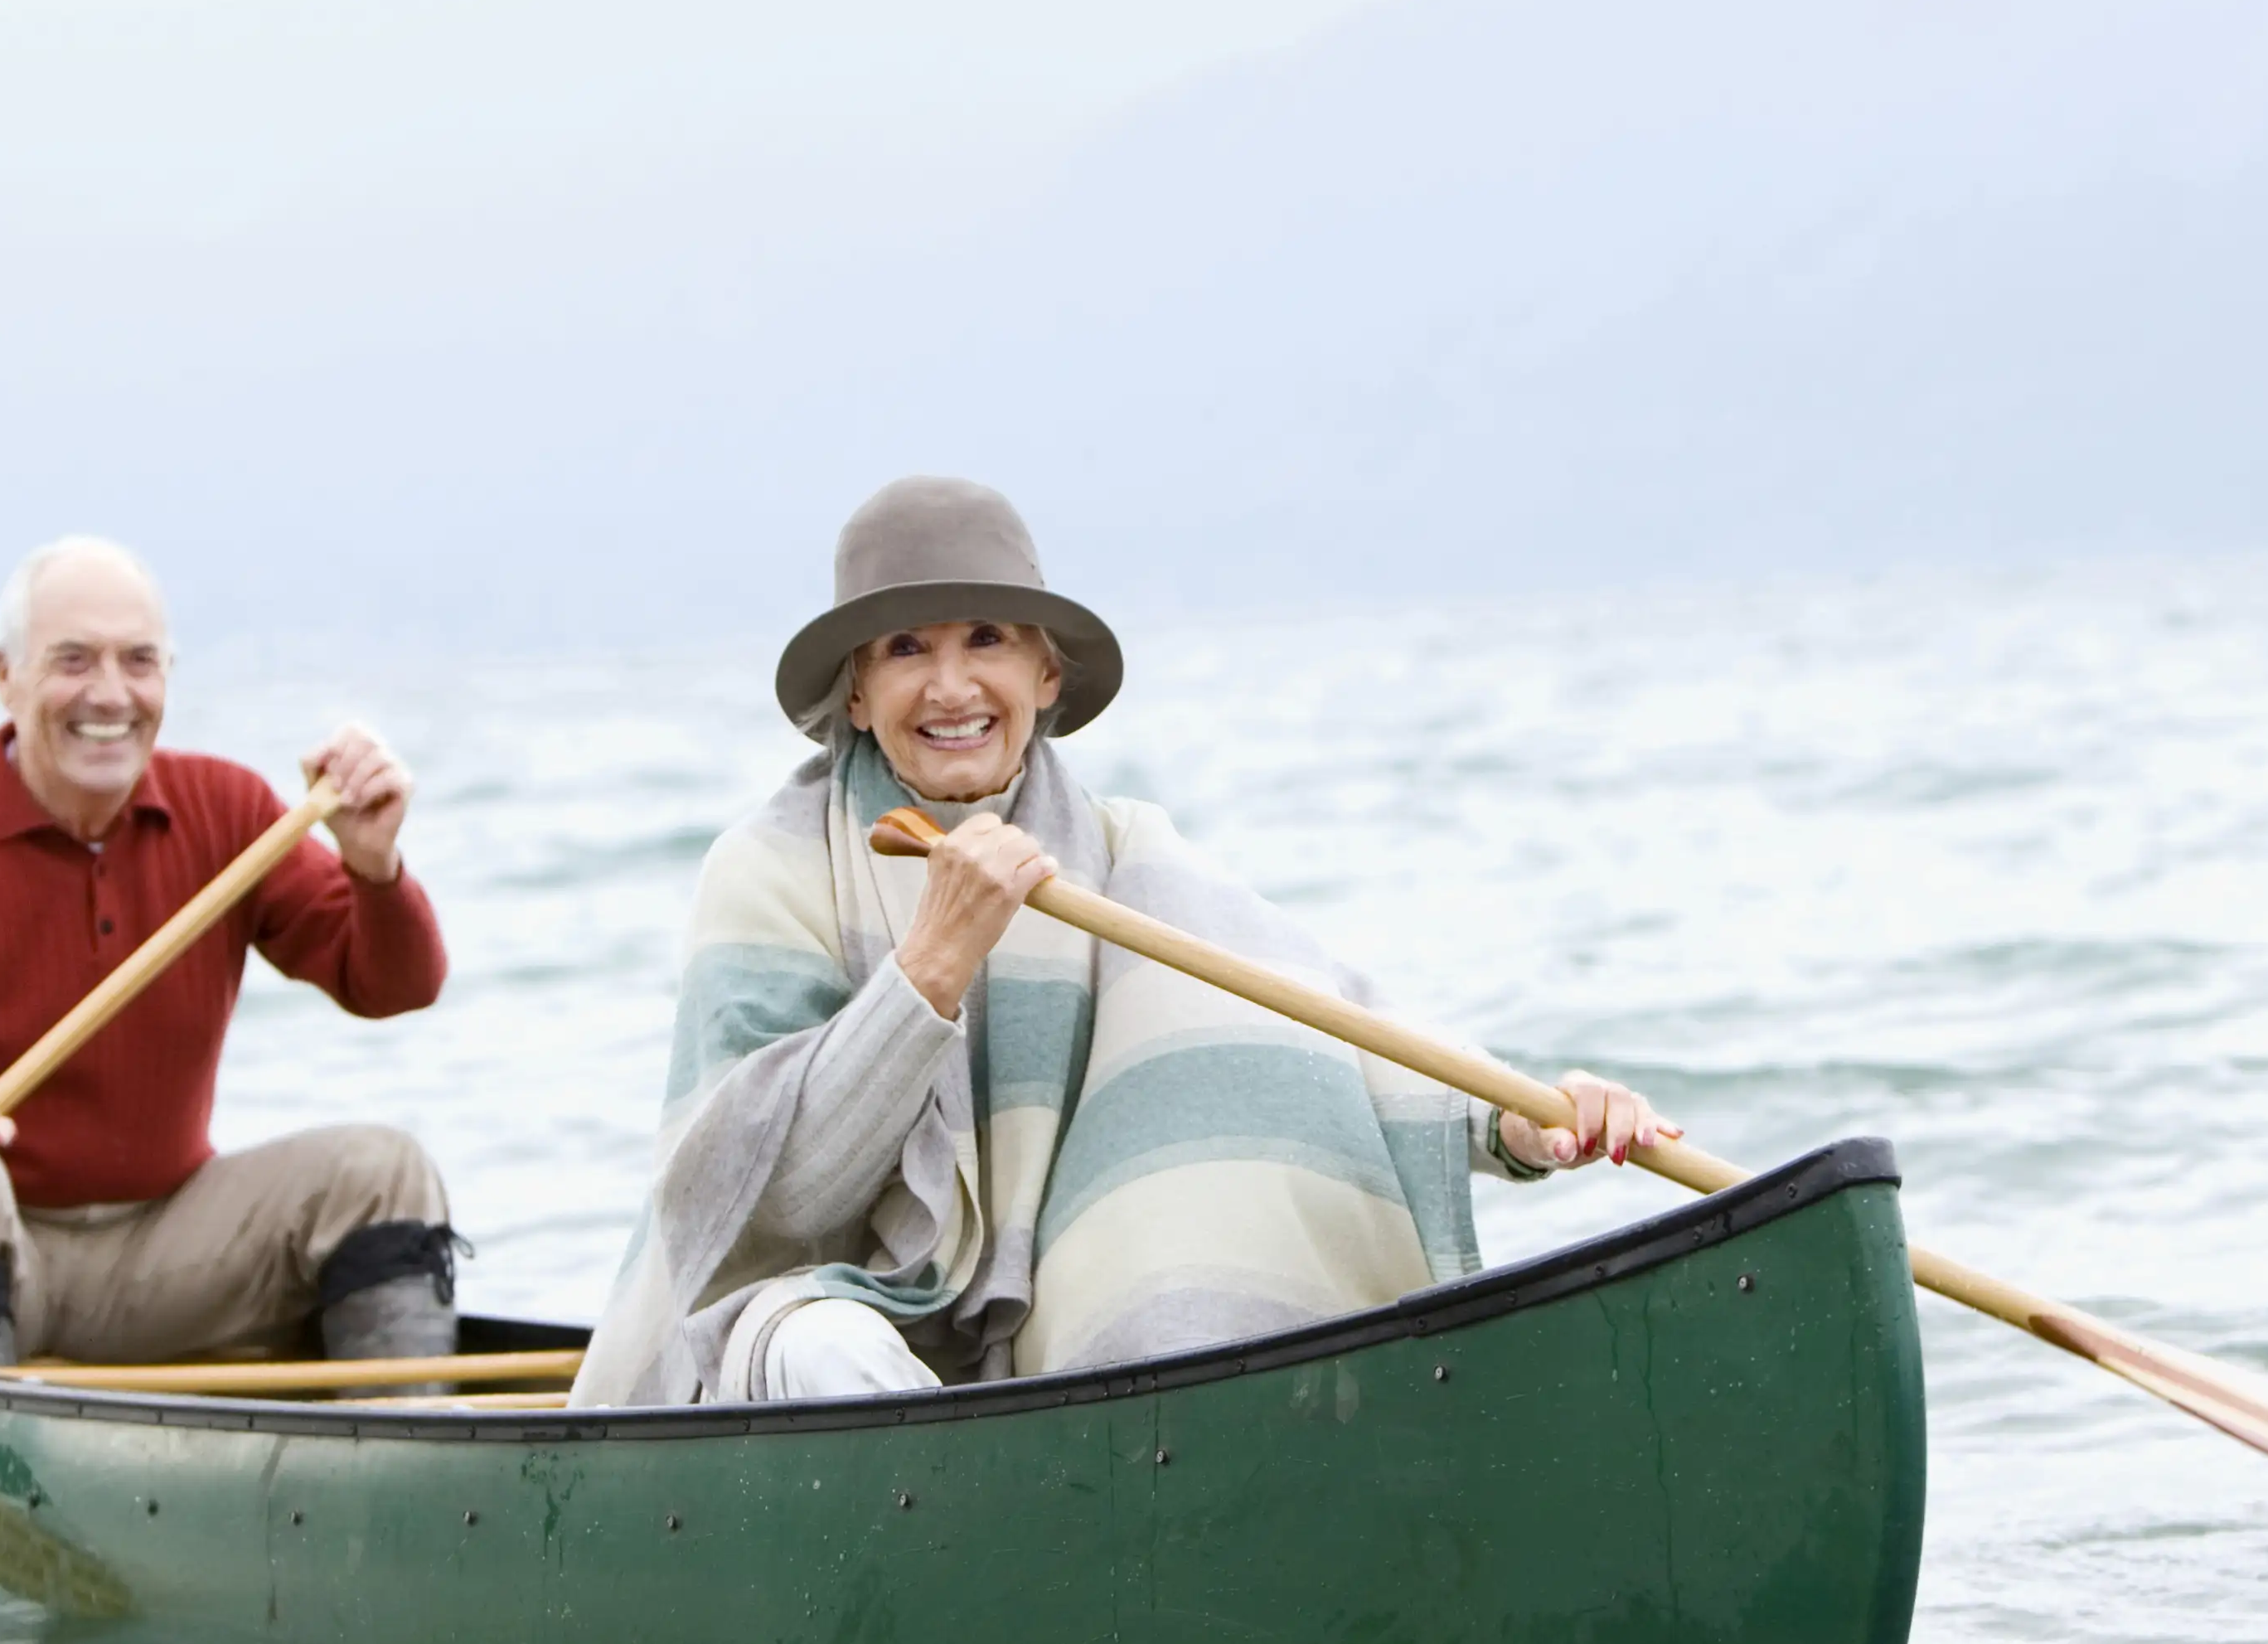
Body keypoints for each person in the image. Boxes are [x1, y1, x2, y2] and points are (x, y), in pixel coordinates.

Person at [571, 475, 1675, 1407]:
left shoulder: (1117, 853)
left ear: (1045, 676)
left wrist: (1523, 1119)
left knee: (1176, 1295)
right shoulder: (768, 869)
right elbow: (753, 1208)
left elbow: (1322, 1020)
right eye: (907, 647)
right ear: (856, 693)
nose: (952, 686)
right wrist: (930, 972)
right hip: (794, 1312)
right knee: (830, 1349)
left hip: (1033, 1317)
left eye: (988, 641)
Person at [0, 536, 457, 1372]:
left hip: (156, 1246)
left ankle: (407, 1463)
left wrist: (373, 865)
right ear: (6, 675)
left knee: (383, 1170)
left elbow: (393, 984)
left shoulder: (231, 811)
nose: (110, 693)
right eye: (72, 660)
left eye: (139, 661)